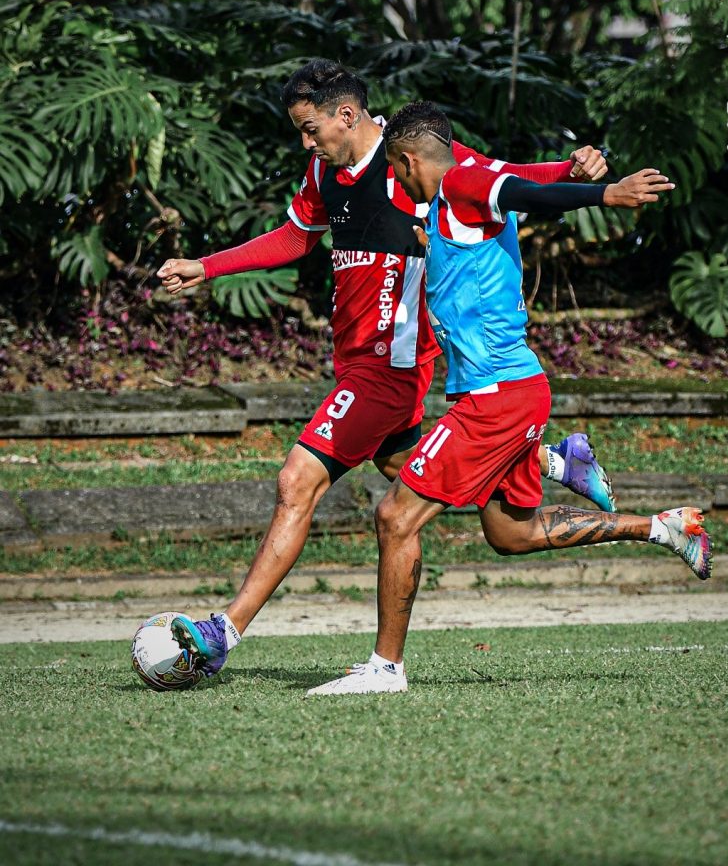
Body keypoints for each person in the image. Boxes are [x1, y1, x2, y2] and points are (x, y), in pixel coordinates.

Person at [155, 61, 616, 680]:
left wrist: (573, 170)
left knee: (298, 482)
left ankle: (223, 632)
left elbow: (497, 178)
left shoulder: (409, 162)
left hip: (390, 369)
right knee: (436, 489)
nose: (306, 143)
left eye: (310, 128)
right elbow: (295, 238)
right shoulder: (324, 171)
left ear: (346, 115)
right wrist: (206, 267)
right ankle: (556, 461)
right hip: (356, 363)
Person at [305, 101, 712, 697]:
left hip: (495, 398)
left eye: (396, 169)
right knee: (509, 533)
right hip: (509, 394)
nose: (394, 182)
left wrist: (604, 196)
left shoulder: (463, 183)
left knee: (395, 516)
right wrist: (571, 170)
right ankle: (664, 528)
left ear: (410, 159)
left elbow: (523, 192)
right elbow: (521, 181)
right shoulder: (447, 203)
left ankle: (384, 669)